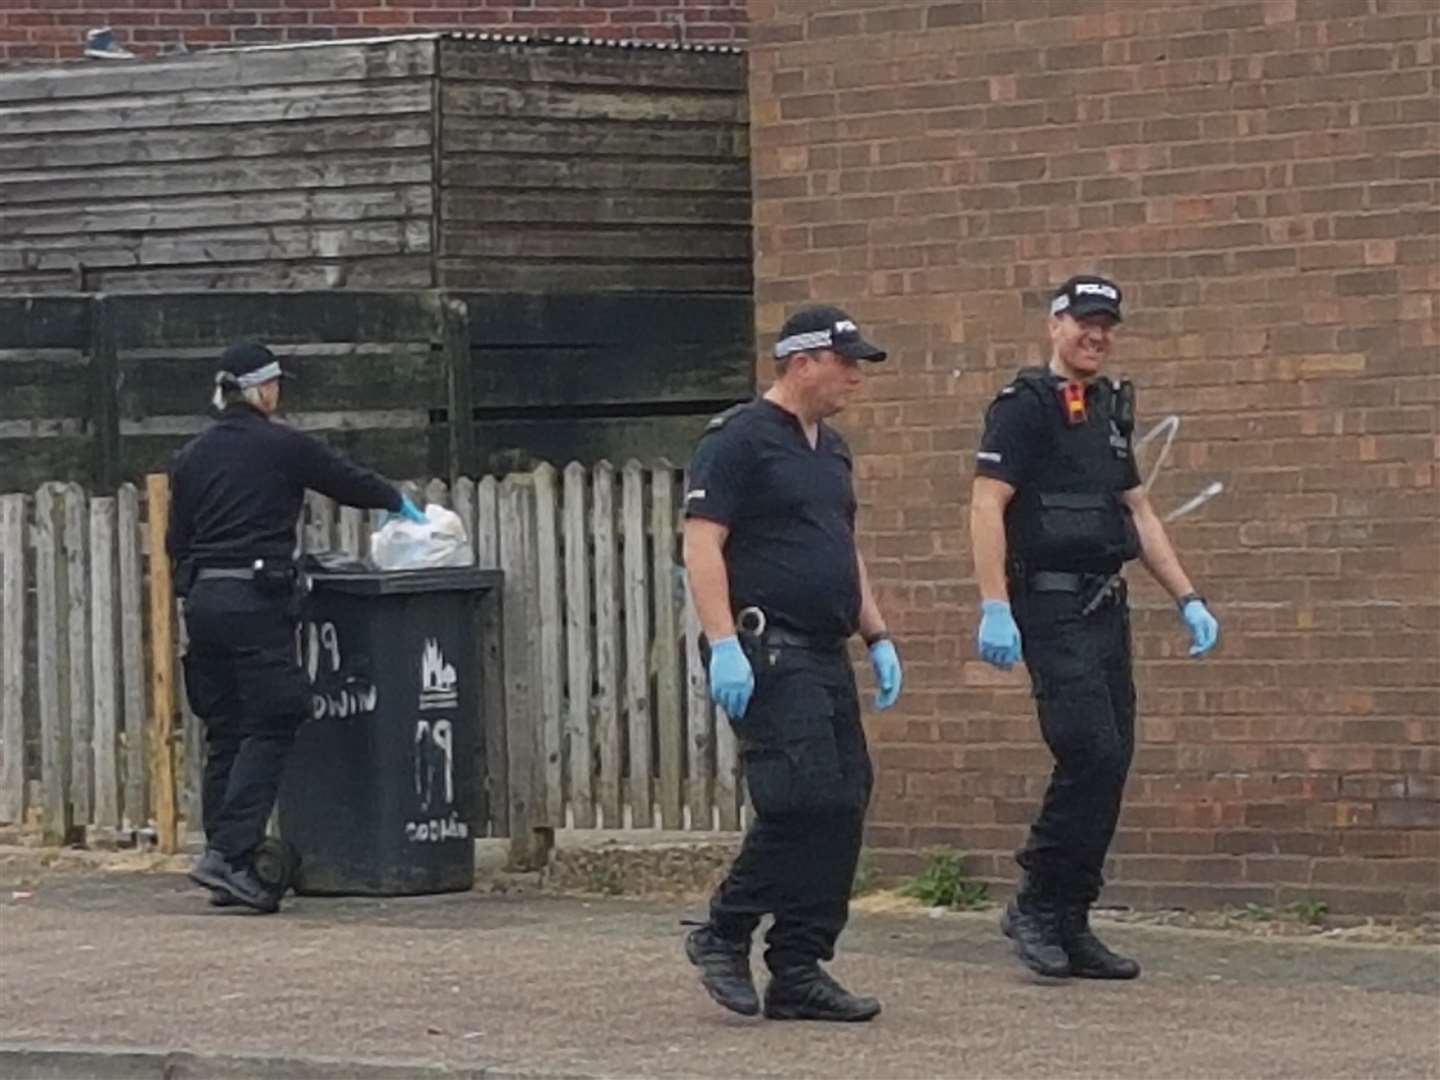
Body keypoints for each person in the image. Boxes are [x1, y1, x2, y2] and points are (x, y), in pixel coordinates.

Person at [969, 275, 1220, 979]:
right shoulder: (1022, 410)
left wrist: (1187, 597)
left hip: (1106, 607)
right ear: (1055, 325)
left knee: (1112, 763)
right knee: (1089, 752)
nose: (1096, 335)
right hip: (1049, 606)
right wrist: (994, 604)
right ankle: (1036, 904)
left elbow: (1137, 512)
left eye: (1106, 325)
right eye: (1084, 322)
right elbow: (988, 505)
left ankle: (1070, 917)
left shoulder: (1108, 412)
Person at [681, 304, 903, 1022]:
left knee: (845, 798)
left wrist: (877, 634)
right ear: (802, 362)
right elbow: (702, 544)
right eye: (846, 365)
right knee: (798, 796)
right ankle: (725, 928)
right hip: (766, 645)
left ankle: (801, 965)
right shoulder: (739, 440)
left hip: (825, 645)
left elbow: (841, 546)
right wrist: (722, 645)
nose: (855, 380)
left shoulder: (832, 450)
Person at [167, 341, 426, 913]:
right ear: (260, 390)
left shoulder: (191, 455)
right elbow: (344, 479)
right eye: (275, 385)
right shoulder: (281, 444)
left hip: (205, 600)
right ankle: (229, 854)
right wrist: (395, 502)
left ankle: (226, 858)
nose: (278, 394)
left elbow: (175, 543)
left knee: (227, 726)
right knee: (277, 712)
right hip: (255, 599)